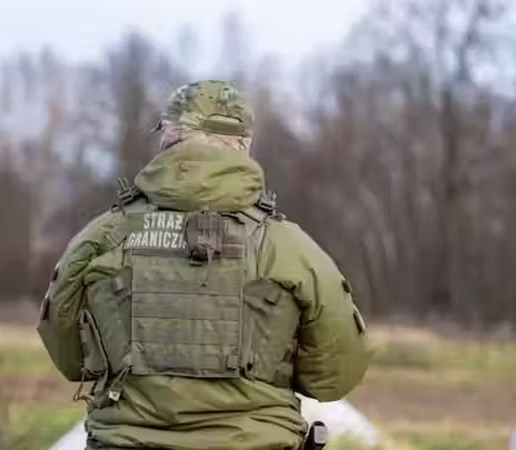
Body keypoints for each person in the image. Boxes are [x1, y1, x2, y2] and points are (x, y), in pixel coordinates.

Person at [37, 80, 373, 450]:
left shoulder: (100, 239)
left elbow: (69, 358)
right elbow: (334, 377)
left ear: (168, 137)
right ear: (243, 144)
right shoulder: (291, 249)